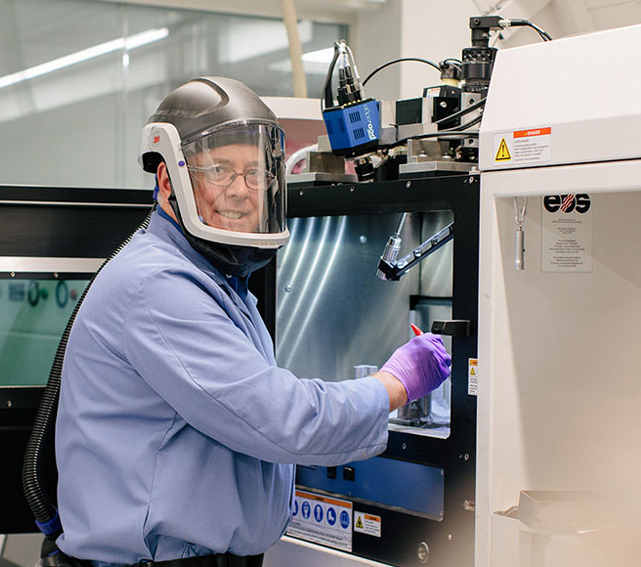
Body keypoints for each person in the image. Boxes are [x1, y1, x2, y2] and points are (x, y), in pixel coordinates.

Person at [54, 77, 451, 567]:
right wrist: (396, 384)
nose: (242, 191)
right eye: (220, 170)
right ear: (168, 181)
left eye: (255, 173)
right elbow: (283, 420)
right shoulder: (158, 286)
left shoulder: (214, 279)